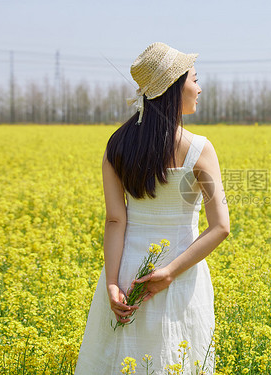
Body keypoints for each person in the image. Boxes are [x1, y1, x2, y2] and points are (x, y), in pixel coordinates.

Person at [74, 42, 230, 375]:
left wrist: (113, 283)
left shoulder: (117, 145)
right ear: (175, 89)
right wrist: (170, 273)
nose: (199, 88)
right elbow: (221, 227)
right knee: (179, 360)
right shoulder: (200, 149)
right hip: (181, 273)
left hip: (128, 271)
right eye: (194, 80)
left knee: (121, 361)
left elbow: (116, 219)